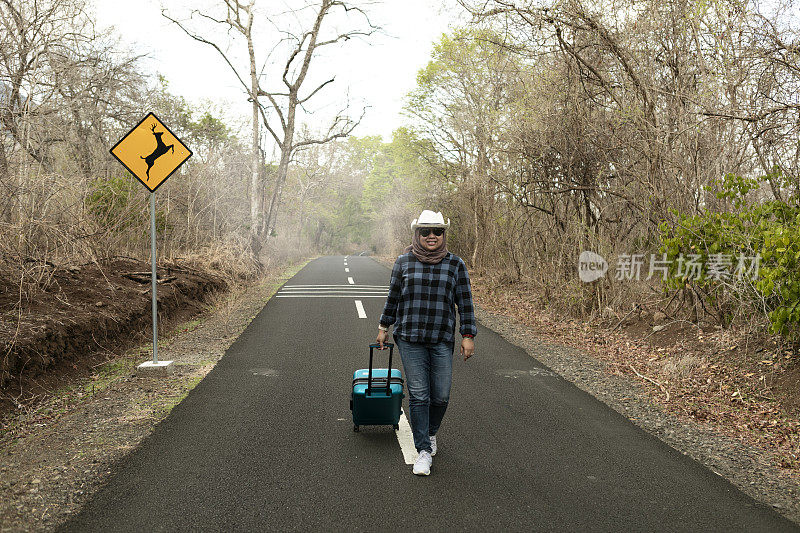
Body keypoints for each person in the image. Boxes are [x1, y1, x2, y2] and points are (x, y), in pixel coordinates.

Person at [376, 210, 477, 476]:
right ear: (417, 234)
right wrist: (383, 327)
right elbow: (393, 298)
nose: (431, 236)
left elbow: (464, 302)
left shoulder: (456, 264)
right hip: (410, 337)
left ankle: (431, 432)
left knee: (441, 395)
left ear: (444, 234)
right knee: (420, 395)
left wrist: (468, 335)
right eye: (425, 232)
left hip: (441, 337)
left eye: (437, 231)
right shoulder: (403, 262)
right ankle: (422, 450)